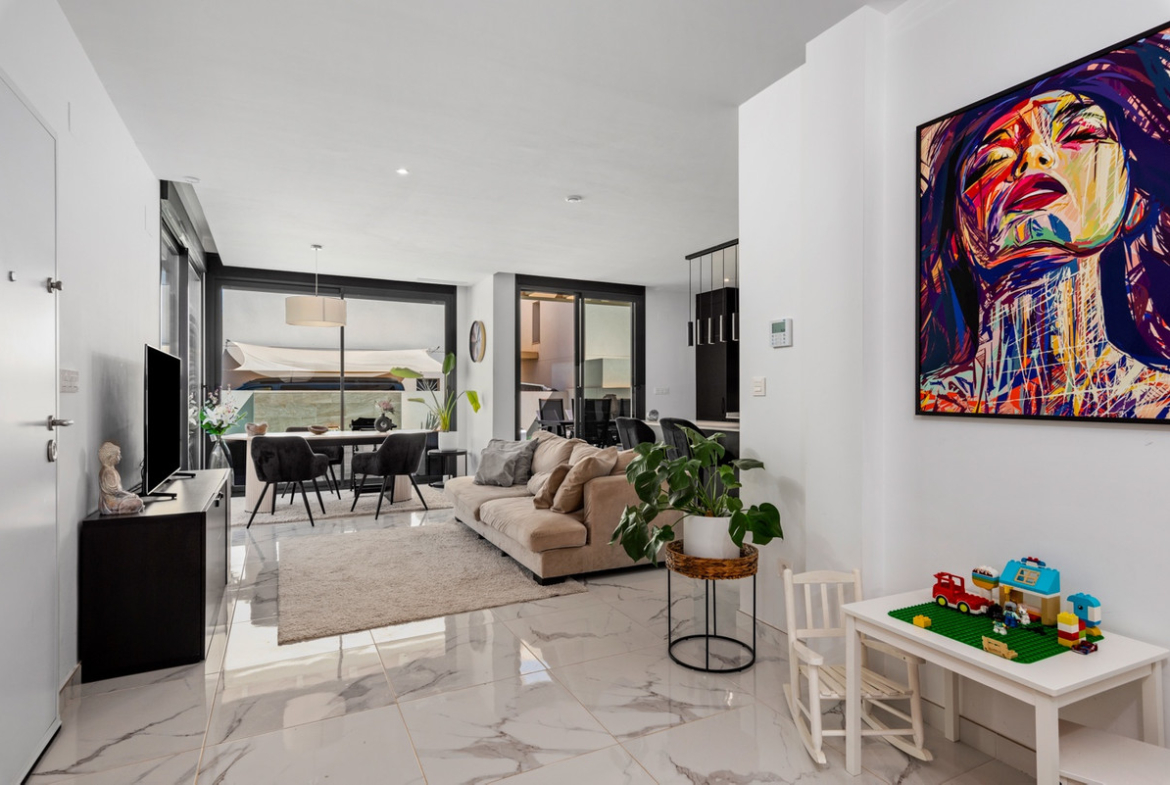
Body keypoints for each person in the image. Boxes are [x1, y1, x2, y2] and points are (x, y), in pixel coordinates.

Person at [919, 30, 1170, 418]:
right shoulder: (925, 402)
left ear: (1135, 201)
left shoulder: (1160, 405)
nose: (1035, 154)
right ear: (956, 235)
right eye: (992, 158)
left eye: (1080, 133)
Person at [98, 441, 144, 515]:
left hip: (113, 500)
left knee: (136, 500)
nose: (120, 457)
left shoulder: (110, 470)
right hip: (110, 503)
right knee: (138, 502)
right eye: (118, 455)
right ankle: (123, 511)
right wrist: (131, 495)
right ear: (111, 457)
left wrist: (130, 495)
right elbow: (117, 492)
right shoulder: (108, 472)